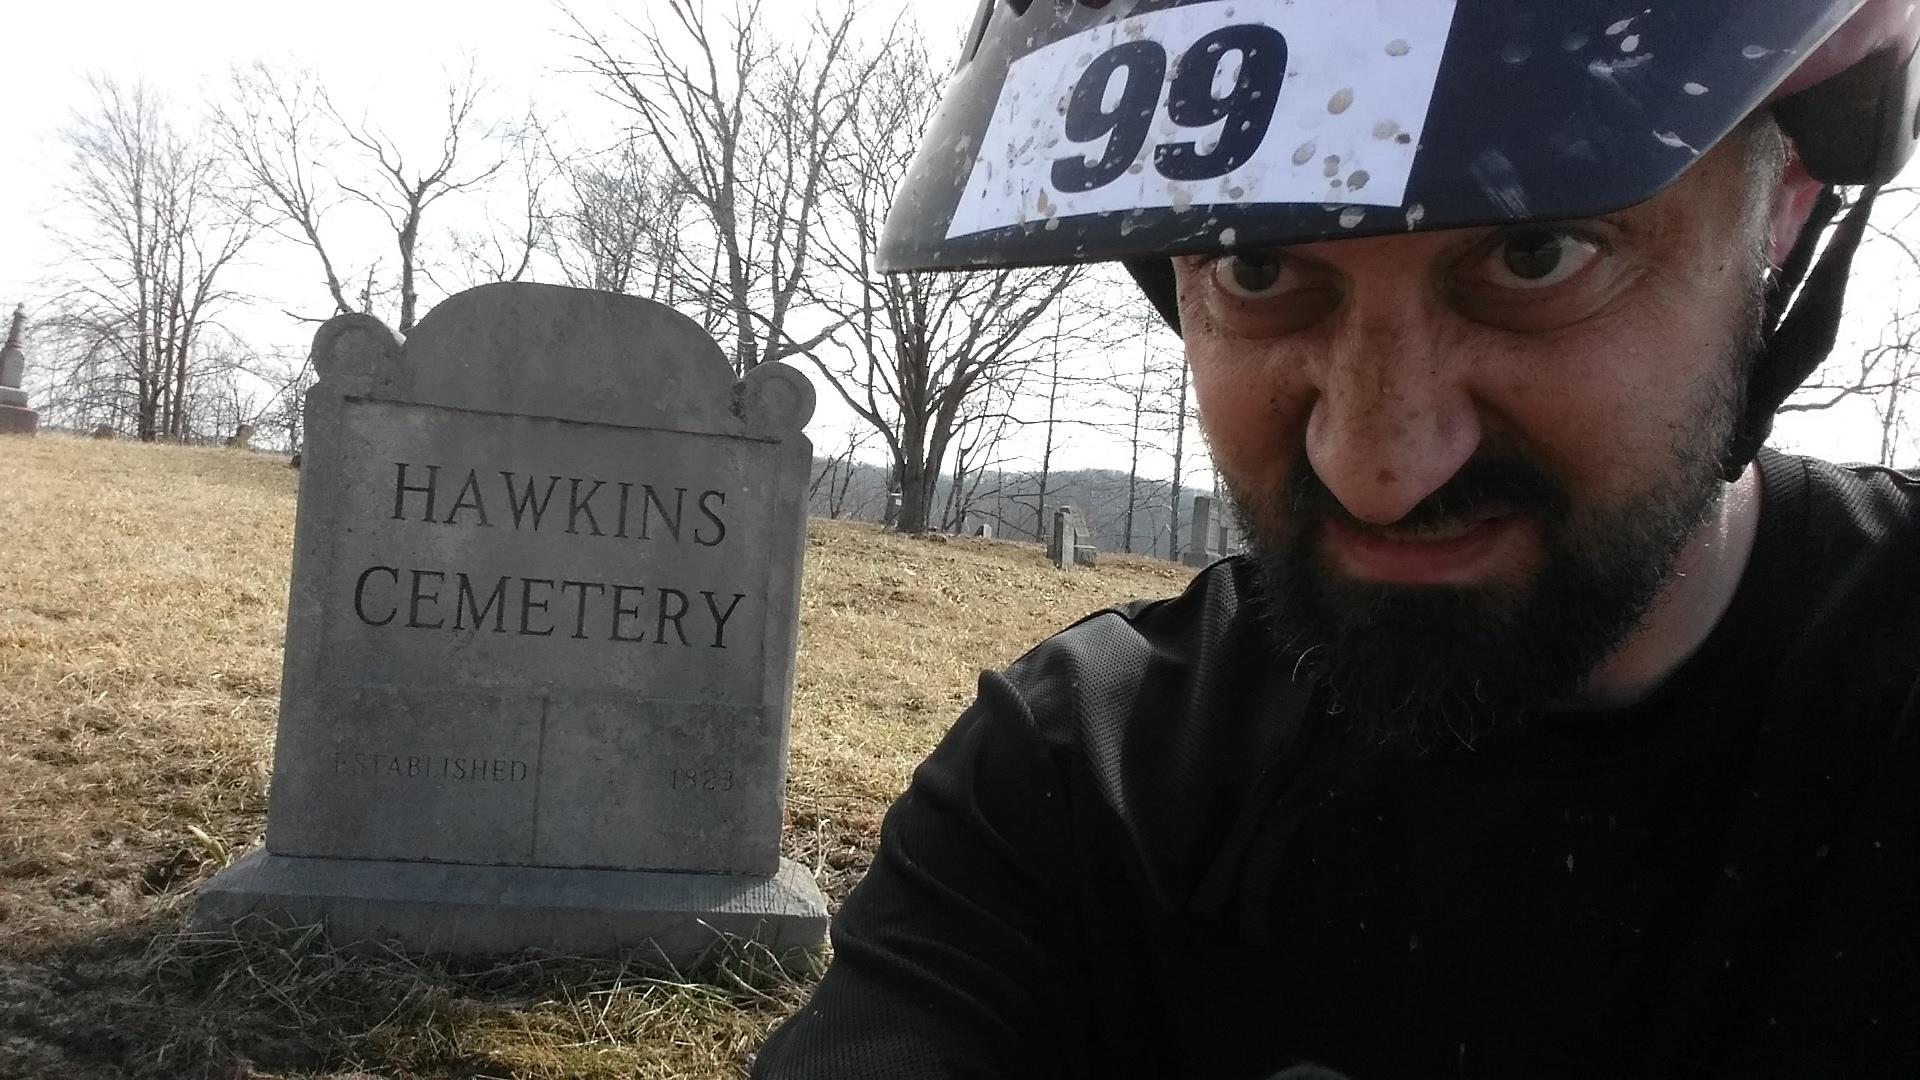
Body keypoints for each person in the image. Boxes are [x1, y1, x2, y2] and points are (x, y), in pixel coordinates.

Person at [754, 1, 1920, 1076]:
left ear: (1787, 199)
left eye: (1535, 253)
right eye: (1258, 266)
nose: (1378, 467)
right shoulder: (1082, 784)